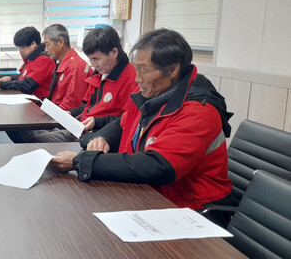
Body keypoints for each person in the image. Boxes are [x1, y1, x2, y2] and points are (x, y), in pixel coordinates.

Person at [51, 29, 233, 210]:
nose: (137, 79)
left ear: (172, 70)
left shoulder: (198, 113)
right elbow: (122, 123)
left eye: (144, 71)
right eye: (136, 70)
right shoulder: (151, 95)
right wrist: (103, 137)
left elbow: (157, 165)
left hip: (187, 207)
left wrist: (81, 161)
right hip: (144, 193)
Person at [32, 26, 138, 143]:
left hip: (100, 136)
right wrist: (70, 113)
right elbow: (88, 105)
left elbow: (128, 120)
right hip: (80, 127)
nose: (93, 64)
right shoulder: (100, 73)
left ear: (114, 52)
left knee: (38, 142)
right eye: (90, 59)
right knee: (34, 139)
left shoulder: (132, 79)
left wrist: (97, 122)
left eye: (96, 59)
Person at [0, 26, 55, 99]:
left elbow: (28, 85)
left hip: (37, 103)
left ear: (33, 44)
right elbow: (25, 78)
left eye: (22, 48)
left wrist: (1, 84)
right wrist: (11, 79)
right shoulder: (31, 59)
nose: (21, 51)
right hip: (27, 99)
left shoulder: (44, 60)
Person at [43, 23, 90, 110]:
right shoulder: (64, 64)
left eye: (48, 45)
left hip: (64, 114)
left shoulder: (75, 67)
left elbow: (72, 104)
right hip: (56, 110)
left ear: (60, 42)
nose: (46, 49)